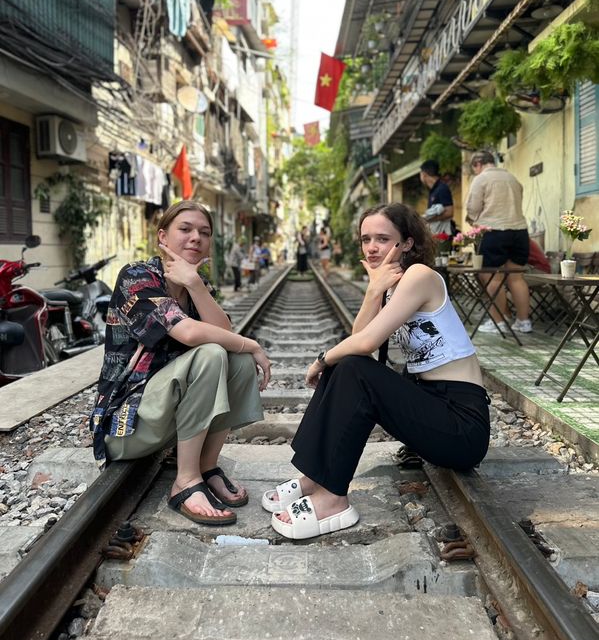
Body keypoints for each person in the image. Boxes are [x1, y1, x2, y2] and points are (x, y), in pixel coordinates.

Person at [262, 203, 490, 540]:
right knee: (349, 364)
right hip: (434, 409)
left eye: (383, 239)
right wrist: (373, 290)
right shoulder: (393, 284)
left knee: (351, 367)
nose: (371, 247)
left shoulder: (420, 276)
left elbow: (364, 341)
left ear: (407, 244)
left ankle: (332, 500)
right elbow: (361, 340)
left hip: (461, 426)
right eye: (365, 239)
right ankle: (314, 478)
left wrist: (322, 359)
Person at [90, 201, 271, 526]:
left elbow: (223, 332)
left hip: (166, 419)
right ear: (163, 237)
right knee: (212, 353)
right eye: (185, 229)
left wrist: (196, 285)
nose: (195, 238)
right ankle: (185, 481)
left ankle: (205, 466)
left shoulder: (196, 286)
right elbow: (187, 332)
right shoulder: (136, 277)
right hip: (126, 426)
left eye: (204, 232)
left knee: (238, 360)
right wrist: (253, 343)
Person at [465, 151, 532, 333]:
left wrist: (472, 220)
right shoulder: (512, 178)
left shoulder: (481, 179)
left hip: (493, 231)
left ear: (478, 163)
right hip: (519, 231)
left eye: (474, 168)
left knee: (492, 277)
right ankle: (523, 321)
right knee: (516, 277)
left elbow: (473, 207)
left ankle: (499, 321)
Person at [419, 160, 454, 236]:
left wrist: (428, 219)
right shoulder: (433, 190)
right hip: (436, 233)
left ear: (424, 174)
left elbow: (449, 212)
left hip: (443, 235)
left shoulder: (442, 188)